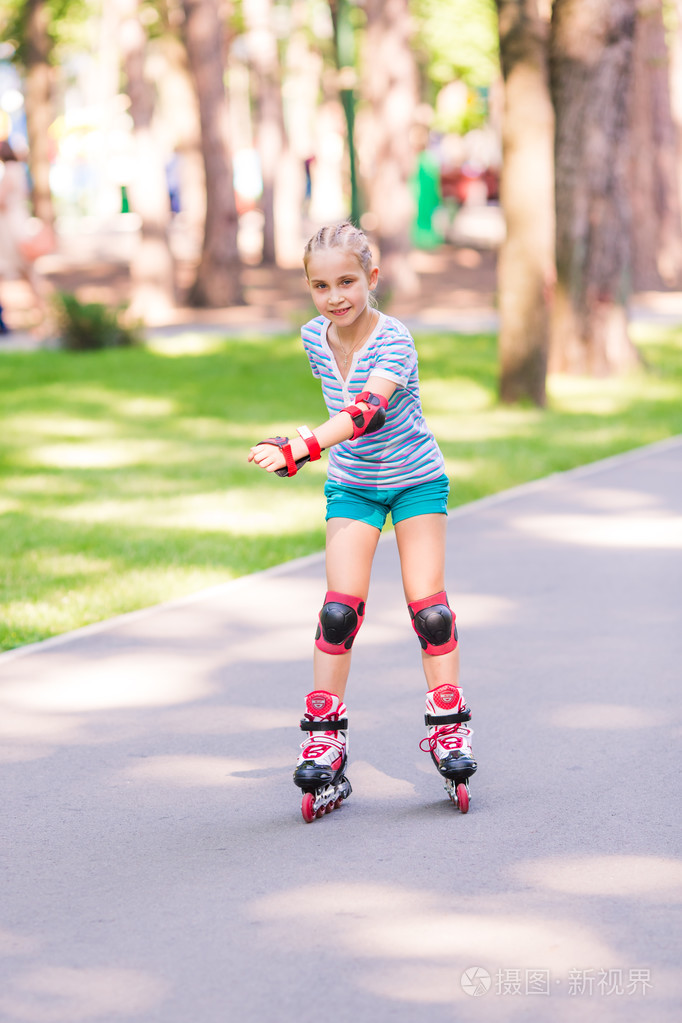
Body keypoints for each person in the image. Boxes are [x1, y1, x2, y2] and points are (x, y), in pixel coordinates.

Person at [248, 221, 477, 820]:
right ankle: (325, 738)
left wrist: (299, 447)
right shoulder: (313, 337)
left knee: (430, 611)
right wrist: (308, 446)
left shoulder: (395, 339)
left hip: (416, 480)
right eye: (320, 286)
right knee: (338, 611)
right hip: (353, 484)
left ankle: (448, 725)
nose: (335, 296)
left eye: (347, 281)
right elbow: (340, 413)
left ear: (372, 279)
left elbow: (366, 411)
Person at [0, 139, 51, 333]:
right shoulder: (20, 170)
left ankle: (41, 319)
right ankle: (43, 317)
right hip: (19, 224)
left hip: (12, 231)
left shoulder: (9, 171)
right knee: (30, 275)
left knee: (21, 272)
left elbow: (2, 200)